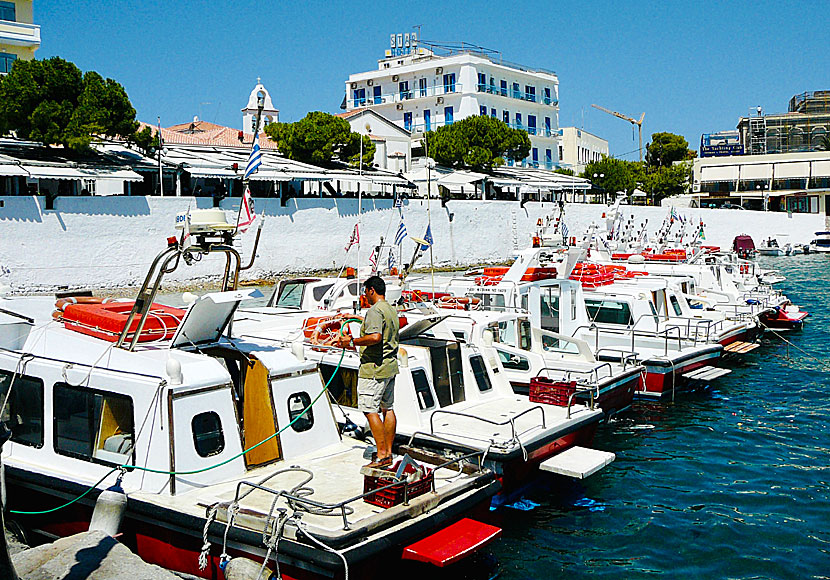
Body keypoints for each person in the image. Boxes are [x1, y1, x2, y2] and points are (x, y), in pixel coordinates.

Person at [337, 275, 399, 468]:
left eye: (365, 291)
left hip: (373, 369)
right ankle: (388, 450)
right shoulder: (390, 309)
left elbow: (375, 336)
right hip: (389, 367)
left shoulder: (374, 311)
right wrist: (356, 318)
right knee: (387, 409)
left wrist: (352, 342)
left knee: (369, 410)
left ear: (372, 290)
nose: (365, 295)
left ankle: (381, 455)